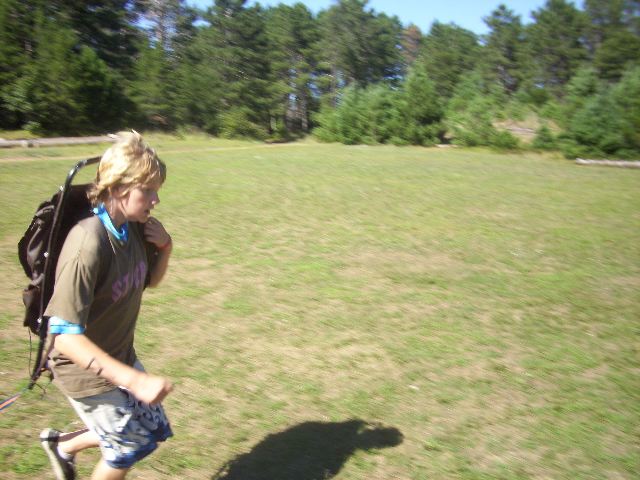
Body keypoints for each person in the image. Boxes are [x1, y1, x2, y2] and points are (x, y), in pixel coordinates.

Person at [39, 131, 174, 480]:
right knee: (127, 447)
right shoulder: (88, 243)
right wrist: (134, 380)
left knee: (152, 429)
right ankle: (67, 446)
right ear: (117, 188)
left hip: (118, 353)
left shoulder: (134, 228)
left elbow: (149, 281)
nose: (156, 199)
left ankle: (63, 446)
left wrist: (166, 248)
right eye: (148, 190)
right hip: (82, 368)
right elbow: (64, 335)